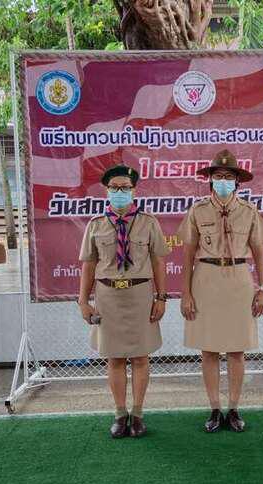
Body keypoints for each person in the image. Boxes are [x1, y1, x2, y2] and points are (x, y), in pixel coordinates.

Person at [77, 164, 171, 439]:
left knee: (141, 357)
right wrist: (83, 301)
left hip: (140, 295)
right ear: (106, 191)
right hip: (108, 297)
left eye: (125, 188)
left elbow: (158, 262)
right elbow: (88, 265)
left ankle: (138, 414)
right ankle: (120, 414)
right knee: (115, 358)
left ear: (134, 190)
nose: (120, 192)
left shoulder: (149, 222)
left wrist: (161, 297)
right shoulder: (95, 224)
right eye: (115, 188)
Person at [179, 149, 263, 433]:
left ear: (237, 182)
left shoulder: (249, 211)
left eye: (228, 177)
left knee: (236, 350)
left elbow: (259, 252)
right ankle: (215, 408)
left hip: (239, 280)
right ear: (210, 180)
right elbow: (188, 254)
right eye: (218, 176)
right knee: (208, 350)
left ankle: (234, 408)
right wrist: (186, 293)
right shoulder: (197, 210)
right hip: (205, 279)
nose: (223, 181)